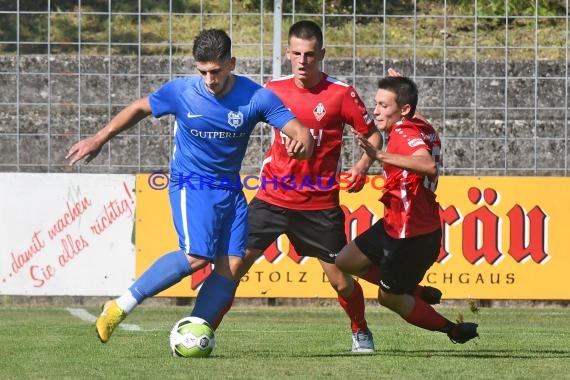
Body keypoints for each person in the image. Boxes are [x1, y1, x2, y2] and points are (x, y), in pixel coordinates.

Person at [65, 28, 314, 343]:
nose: (209, 79)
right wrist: (99, 138)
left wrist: (302, 143)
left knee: (232, 265)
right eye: (203, 72)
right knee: (197, 256)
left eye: (216, 71)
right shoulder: (182, 92)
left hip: (230, 189)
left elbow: (300, 132)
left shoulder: (255, 97)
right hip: (191, 182)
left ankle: (193, 332)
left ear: (231, 63)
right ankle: (119, 306)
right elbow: (140, 107)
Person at [212, 21, 439, 353]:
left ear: (321, 55)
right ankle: (203, 328)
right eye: (297, 54)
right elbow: (238, 120)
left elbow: (373, 134)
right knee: (232, 268)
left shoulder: (340, 94)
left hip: (319, 206)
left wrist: (361, 166)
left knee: (342, 280)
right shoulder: (272, 89)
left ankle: (360, 330)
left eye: (310, 55)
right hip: (272, 197)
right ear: (288, 54)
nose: (303, 61)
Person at [335, 75, 479, 344]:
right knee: (345, 260)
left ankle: (453, 330)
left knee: (388, 297)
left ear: (403, 110)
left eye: (383, 106)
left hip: (409, 234)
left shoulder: (404, 132)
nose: (376, 111)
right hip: (397, 222)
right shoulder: (420, 124)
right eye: (376, 104)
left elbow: (427, 165)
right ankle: (415, 290)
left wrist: (379, 156)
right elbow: (413, 114)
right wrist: (401, 87)